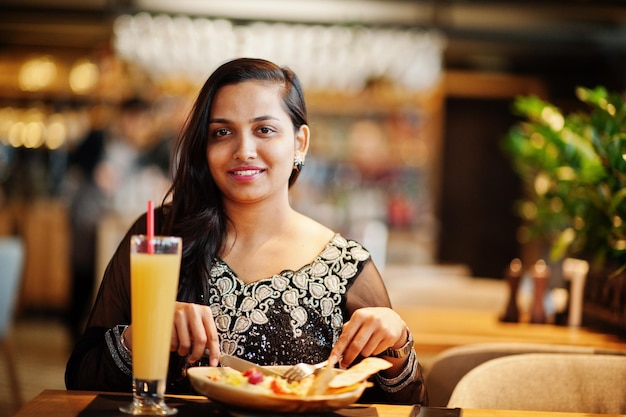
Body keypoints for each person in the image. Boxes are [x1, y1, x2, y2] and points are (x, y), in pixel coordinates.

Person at [65, 57, 427, 405]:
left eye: (264, 130)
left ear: (299, 142)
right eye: (222, 132)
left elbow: (405, 405)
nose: (244, 150)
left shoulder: (345, 266)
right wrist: (147, 330)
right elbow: (81, 374)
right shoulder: (162, 236)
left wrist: (396, 341)